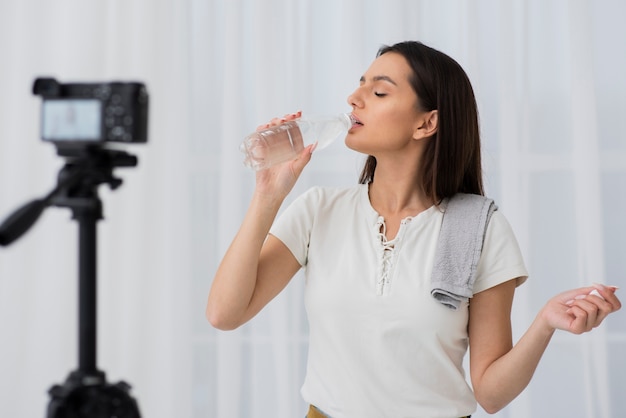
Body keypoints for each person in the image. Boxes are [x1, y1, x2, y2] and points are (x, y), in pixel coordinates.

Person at [206, 41, 621, 418]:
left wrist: (545, 322)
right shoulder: (319, 209)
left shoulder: (478, 228)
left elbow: (491, 394)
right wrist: (268, 194)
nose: (354, 99)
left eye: (379, 91)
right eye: (360, 85)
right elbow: (225, 314)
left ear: (426, 124)